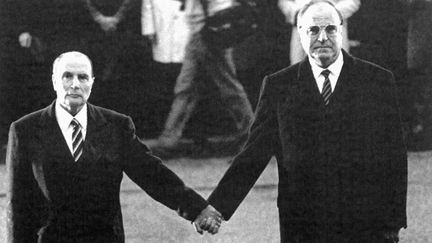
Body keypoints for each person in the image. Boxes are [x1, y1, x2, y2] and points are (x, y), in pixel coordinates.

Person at [198, 1, 408, 242]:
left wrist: (392, 220)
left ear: (341, 30)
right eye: (313, 30)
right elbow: (253, 154)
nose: (322, 37)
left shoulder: (377, 81)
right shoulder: (278, 86)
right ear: (299, 32)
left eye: (330, 29)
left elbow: (394, 156)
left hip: (364, 222)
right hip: (302, 222)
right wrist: (217, 206)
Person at [6, 51, 221, 242]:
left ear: (92, 83)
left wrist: (196, 209)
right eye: (67, 76)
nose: (75, 84)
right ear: (54, 81)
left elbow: (151, 173)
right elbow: (18, 206)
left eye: (82, 77)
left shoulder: (117, 126)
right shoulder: (25, 130)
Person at [147, 0, 254, 155]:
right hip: (200, 31)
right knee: (186, 87)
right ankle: (168, 139)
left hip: (210, 31)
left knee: (228, 88)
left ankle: (251, 138)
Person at [278, 0, 360, 64]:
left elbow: (353, 2)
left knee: (336, 72)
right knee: (299, 72)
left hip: (333, 28)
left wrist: (332, 12)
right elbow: (283, 2)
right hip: (302, 28)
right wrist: (295, 13)